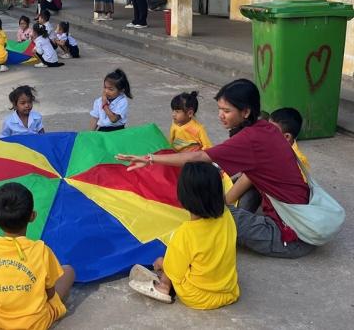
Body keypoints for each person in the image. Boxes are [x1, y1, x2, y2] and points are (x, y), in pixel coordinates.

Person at [117, 79, 314, 259]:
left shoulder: (250, 139)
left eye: (227, 111)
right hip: (303, 223)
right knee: (225, 196)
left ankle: (224, 227)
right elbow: (250, 177)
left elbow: (199, 157)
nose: (220, 115)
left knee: (206, 209)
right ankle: (232, 221)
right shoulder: (266, 128)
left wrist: (150, 159)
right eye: (219, 109)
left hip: (289, 237)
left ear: (245, 112)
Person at [130, 162, 240, 309]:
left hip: (198, 296)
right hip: (229, 291)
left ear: (182, 198)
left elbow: (175, 271)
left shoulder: (186, 233)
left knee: (170, 259)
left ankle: (163, 286)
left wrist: (163, 263)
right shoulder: (227, 217)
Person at [0, 182, 75, 329]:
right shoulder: (41, 250)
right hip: (33, 324)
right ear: (32, 216)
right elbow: (50, 293)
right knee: (68, 271)